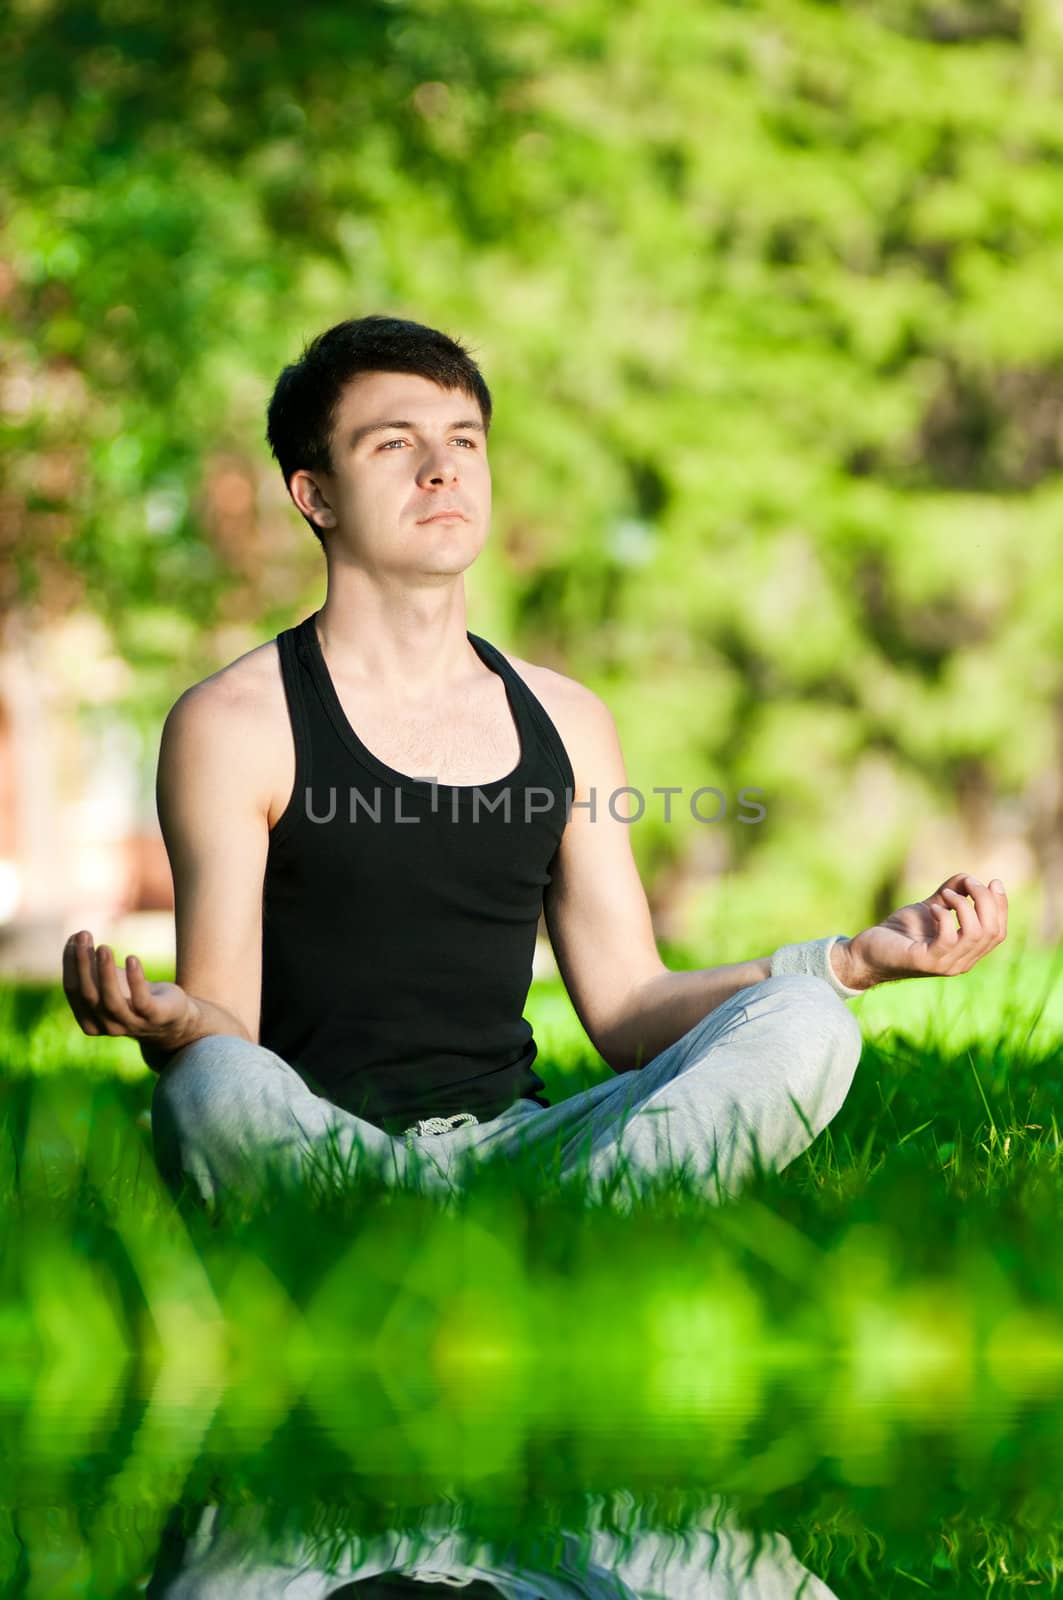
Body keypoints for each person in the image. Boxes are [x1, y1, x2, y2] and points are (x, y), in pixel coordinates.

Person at [61, 314, 1009, 1215]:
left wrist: (850, 962)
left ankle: (568, 1212)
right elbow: (228, 1024)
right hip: (322, 1142)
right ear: (315, 494)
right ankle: (514, 1222)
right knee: (209, 1086)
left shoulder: (566, 719)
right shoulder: (233, 722)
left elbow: (631, 1007)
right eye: (393, 444)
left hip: (525, 1148)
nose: (442, 470)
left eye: (464, 441)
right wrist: (178, 1023)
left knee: (810, 1020)